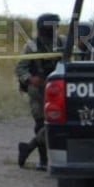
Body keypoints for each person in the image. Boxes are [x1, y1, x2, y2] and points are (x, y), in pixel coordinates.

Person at [16, 13, 65, 169]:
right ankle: (43, 162)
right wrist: (31, 79)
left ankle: (28, 147)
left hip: (59, 88)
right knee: (40, 124)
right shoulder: (32, 46)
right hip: (38, 89)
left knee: (56, 124)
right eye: (52, 25)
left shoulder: (63, 42)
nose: (54, 28)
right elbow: (20, 68)